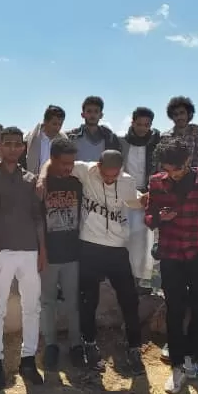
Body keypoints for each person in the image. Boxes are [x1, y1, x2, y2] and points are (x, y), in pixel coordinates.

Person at [42, 150, 146, 374]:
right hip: (89, 247)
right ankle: (89, 343)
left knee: (129, 299)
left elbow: (133, 201)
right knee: (88, 300)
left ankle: (135, 347)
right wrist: (42, 180)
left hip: (118, 249)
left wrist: (143, 200)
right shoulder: (84, 169)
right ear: (98, 166)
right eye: (106, 175)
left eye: (114, 176)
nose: (110, 180)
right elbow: (53, 162)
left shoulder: (127, 181)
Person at [145, 138, 198, 394]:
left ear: (188, 161)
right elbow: (149, 218)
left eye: (177, 169)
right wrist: (160, 217)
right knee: (175, 310)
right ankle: (178, 365)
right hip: (172, 254)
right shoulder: (157, 182)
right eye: (168, 170)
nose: (172, 175)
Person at [0, 127, 46, 388]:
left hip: (29, 250)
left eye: (18, 144)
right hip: (1, 251)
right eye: (7, 143)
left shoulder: (31, 179)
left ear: (23, 148)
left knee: (32, 306)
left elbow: (38, 216)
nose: (12, 148)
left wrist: (42, 250)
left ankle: (28, 360)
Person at [38, 137, 83, 370]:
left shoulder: (77, 183)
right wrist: (41, 251)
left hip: (73, 254)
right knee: (47, 302)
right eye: (64, 163)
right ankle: (51, 346)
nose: (68, 167)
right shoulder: (42, 185)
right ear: (52, 159)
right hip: (48, 255)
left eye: (71, 163)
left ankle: (76, 345)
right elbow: (36, 220)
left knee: (74, 302)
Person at [121, 107, 161, 290]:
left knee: (144, 240)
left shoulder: (156, 142)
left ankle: (140, 281)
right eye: (139, 124)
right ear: (132, 122)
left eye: (147, 125)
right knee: (124, 238)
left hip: (147, 195)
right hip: (125, 196)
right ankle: (123, 279)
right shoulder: (121, 141)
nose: (143, 128)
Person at [65, 95, 123, 162]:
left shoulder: (110, 138)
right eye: (89, 111)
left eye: (96, 111)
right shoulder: (72, 137)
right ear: (83, 114)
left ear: (101, 115)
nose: (92, 115)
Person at [159, 96, 198, 171]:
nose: (179, 117)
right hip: (170, 179)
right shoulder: (165, 137)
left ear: (189, 114)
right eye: (176, 114)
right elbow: (162, 165)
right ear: (171, 116)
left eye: (182, 113)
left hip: (193, 180)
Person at [25, 105, 66, 174]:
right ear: (45, 121)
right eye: (54, 124)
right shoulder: (30, 139)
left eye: (60, 124)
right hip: (33, 180)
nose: (57, 128)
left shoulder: (63, 141)